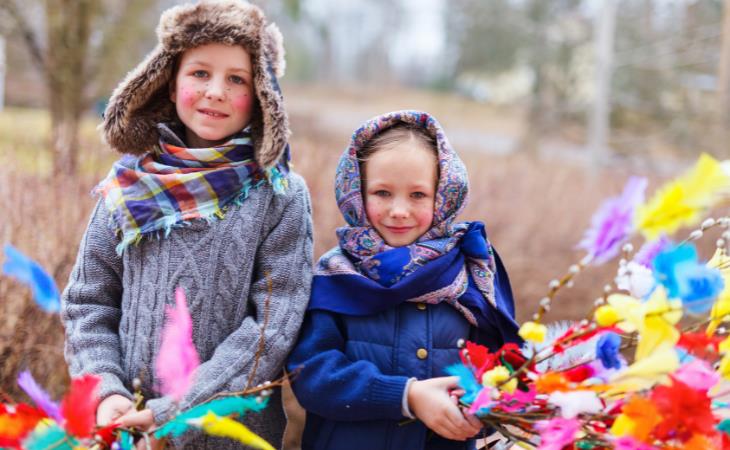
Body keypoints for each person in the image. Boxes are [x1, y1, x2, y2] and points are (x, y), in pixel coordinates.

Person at [61, 1, 313, 448]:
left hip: (230, 437)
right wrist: (106, 393)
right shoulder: (126, 189)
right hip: (123, 433)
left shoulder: (279, 196)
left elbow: (270, 331)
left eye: (236, 78)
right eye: (200, 73)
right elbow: (89, 304)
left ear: (261, 95)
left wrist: (173, 412)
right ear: (169, 82)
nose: (216, 90)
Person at [287, 111, 522, 450]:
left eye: (417, 195)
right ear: (356, 192)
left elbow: (497, 369)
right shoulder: (336, 277)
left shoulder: (468, 275)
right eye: (382, 192)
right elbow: (311, 376)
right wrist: (406, 396)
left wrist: (481, 408)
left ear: (442, 197)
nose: (399, 210)